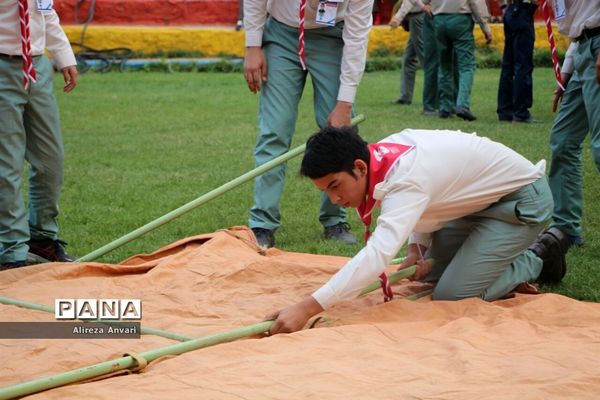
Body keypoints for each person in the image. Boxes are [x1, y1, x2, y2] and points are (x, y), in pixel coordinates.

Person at [266, 126, 566, 335]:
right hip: (473, 207)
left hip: (520, 202)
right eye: (326, 192)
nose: (335, 200)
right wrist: (416, 248)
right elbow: (431, 196)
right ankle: (495, 251)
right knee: (432, 276)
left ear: (359, 167)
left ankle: (539, 254)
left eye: (335, 186)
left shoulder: (404, 176)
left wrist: (308, 307)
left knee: (452, 295)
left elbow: (378, 255)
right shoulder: (381, 157)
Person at [243, 0, 373, 248]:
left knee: (339, 134)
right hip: (282, 35)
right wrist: (253, 45)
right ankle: (262, 224)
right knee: (274, 132)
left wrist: (344, 104)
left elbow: (357, 39)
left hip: (333, 36)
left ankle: (335, 219)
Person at [0, 0, 78, 270]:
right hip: (2, 66)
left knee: (50, 160)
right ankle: (11, 249)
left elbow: (47, 13)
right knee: (6, 164)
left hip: (37, 68)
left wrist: (64, 57)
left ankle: (41, 238)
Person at [547, 1, 600, 249]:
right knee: (563, 141)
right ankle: (565, 227)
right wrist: (567, 71)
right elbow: (579, 22)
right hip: (582, 49)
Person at [423, 0, 492, 121]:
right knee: (466, 65)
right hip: (460, 20)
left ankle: (445, 107)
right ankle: (462, 105)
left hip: (439, 20)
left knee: (444, 65)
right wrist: (485, 26)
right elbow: (476, 3)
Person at [497, 0, 538, 123]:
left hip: (512, 9)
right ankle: (521, 112)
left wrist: (503, 6)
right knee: (523, 65)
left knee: (508, 66)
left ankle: (505, 110)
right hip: (522, 11)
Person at [390, 0, 425, 106]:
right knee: (409, 58)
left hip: (418, 16)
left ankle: (435, 99)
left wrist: (398, 17)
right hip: (416, 16)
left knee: (425, 59)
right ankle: (405, 97)